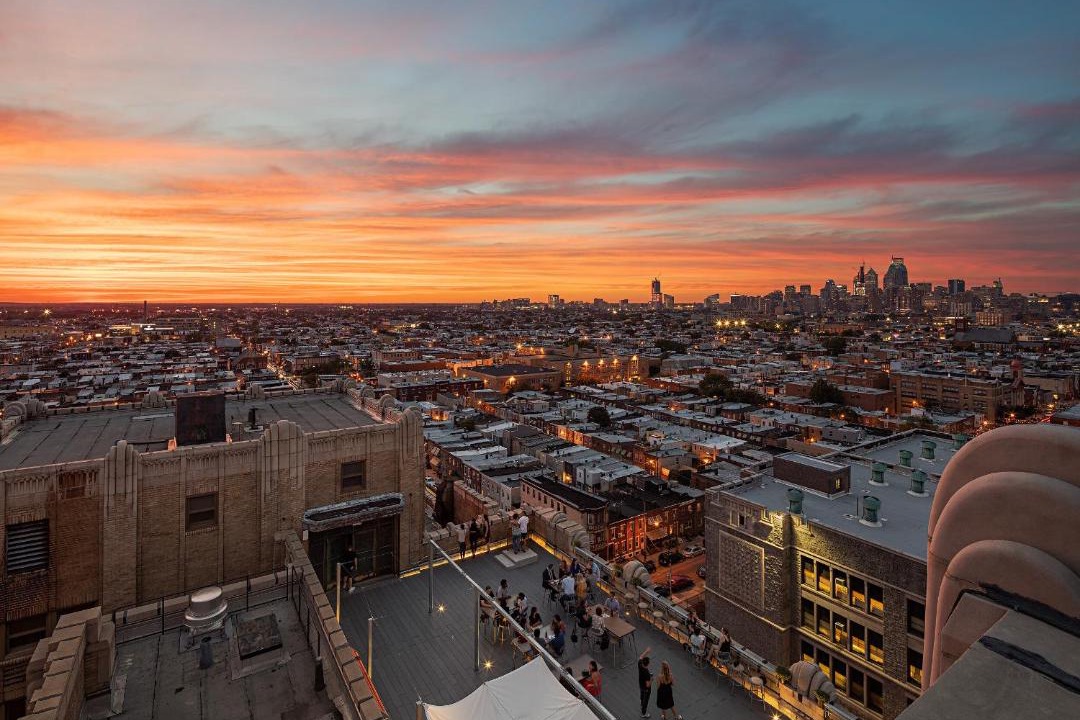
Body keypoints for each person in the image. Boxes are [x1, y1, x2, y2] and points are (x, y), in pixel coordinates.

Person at [638, 647, 653, 718]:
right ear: (648, 664)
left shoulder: (640, 664)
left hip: (641, 684)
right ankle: (643, 713)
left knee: (642, 695)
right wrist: (651, 679)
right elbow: (648, 685)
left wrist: (646, 651)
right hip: (646, 688)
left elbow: (640, 657)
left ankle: (641, 703)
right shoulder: (646, 673)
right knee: (645, 700)